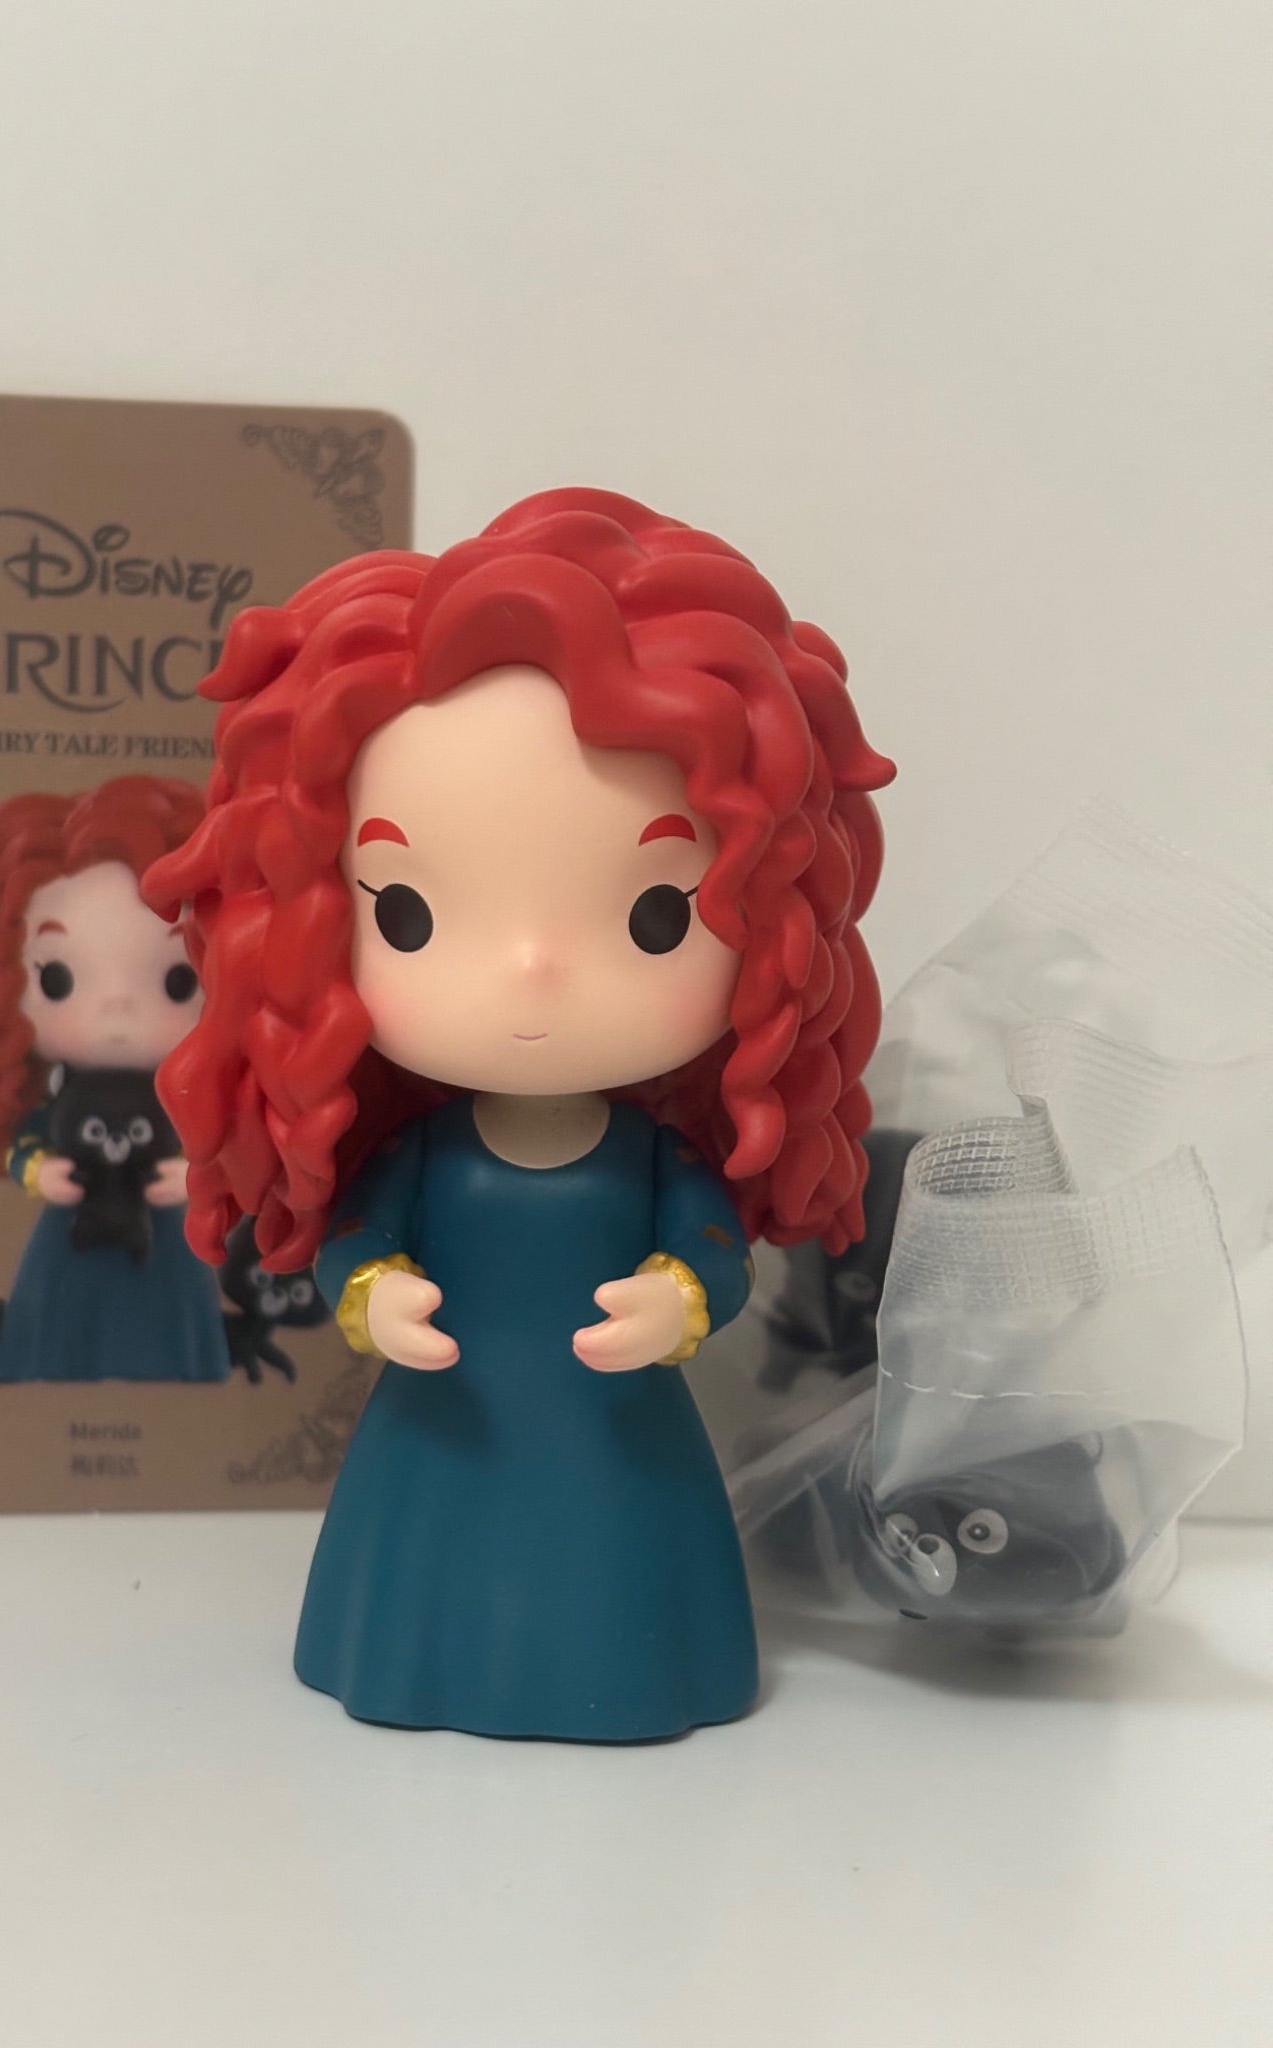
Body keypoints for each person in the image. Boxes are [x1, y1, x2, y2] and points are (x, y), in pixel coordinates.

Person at [146, 490, 893, 1736]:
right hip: (448, 1425)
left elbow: (712, 1238)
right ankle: (421, 1663)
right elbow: (359, 1232)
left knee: (619, 1586)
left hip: (615, 1438)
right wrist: (372, 1288)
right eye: (407, 913)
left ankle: (621, 1673)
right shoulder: (420, 1154)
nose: (535, 969)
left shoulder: (656, 1158)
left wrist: (683, 1295)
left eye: (655, 913)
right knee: (423, 1580)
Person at [0, 775, 231, 1384]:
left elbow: (229, 1153)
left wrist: (199, 1178)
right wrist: (37, 1170)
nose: (116, 1008)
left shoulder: (195, 1095)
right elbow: (18, 1141)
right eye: (59, 979)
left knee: (174, 1347)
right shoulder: (53, 1095)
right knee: (58, 1343)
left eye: (177, 981)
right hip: (70, 1239)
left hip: (167, 1243)